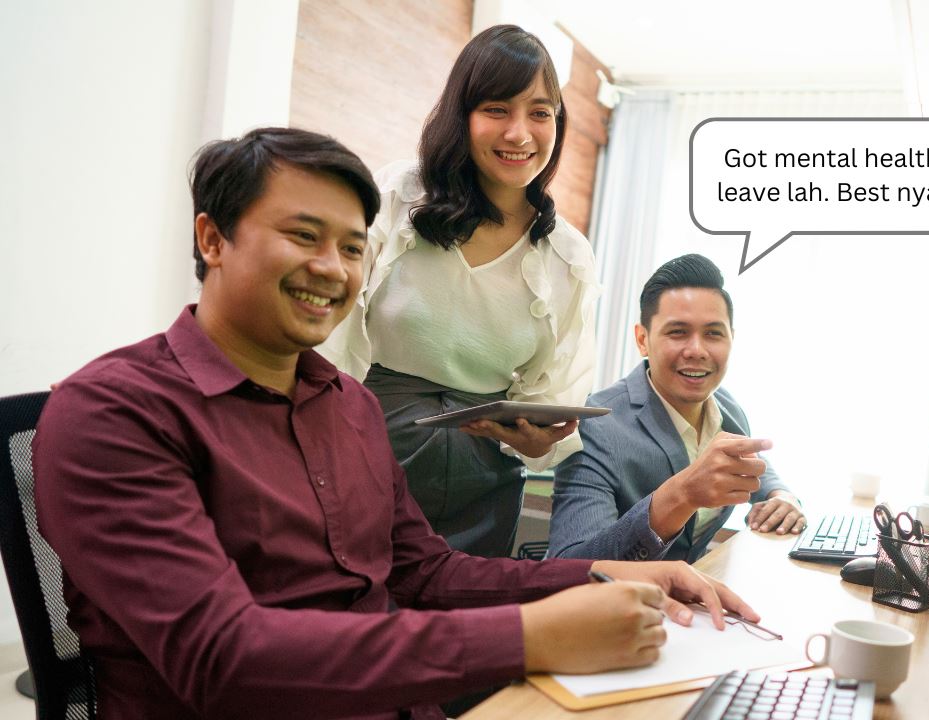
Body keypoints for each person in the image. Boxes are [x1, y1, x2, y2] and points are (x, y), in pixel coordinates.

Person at [33, 129, 756, 720]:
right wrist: (532, 634)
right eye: (303, 235)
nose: (332, 268)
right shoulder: (113, 412)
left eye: (353, 247)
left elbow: (427, 573)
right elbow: (225, 656)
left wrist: (604, 570)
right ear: (213, 239)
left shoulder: (348, 405)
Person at [318, 25, 598, 557]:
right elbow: (331, 331)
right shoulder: (401, 196)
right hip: (366, 458)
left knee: (460, 627)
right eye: (497, 109)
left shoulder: (566, 255)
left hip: (482, 483)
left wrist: (539, 437)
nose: (520, 133)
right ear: (461, 114)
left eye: (540, 113)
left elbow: (555, 391)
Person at [548, 254, 806, 563]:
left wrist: (783, 497)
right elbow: (571, 567)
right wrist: (680, 496)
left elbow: (755, 466)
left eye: (713, 333)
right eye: (677, 332)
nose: (697, 350)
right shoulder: (595, 424)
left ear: (731, 340)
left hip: (687, 602)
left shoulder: (726, 407)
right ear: (642, 340)